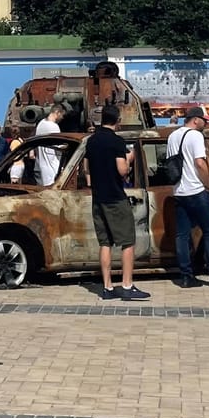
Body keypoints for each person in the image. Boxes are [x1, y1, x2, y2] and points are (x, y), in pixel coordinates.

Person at [86, 103, 148, 301]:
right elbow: (122, 170)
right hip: (115, 197)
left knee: (105, 243)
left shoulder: (91, 141)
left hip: (98, 198)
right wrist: (129, 159)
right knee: (127, 242)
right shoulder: (117, 142)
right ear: (118, 122)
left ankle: (107, 287)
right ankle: (127, 285)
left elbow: (87, 169)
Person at [170, 106, 209, 289]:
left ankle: (186, 276)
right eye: (204, 120)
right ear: (195, 119)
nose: (206, 123)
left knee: (182, 235)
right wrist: (208, 184)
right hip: (196, 191)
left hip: (179, 192)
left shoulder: (173, 136)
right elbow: (199, 162)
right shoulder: (195, 136)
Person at [34, 104, 64, 186]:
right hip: (52, 167)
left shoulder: (40, 124)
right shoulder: (54, 127)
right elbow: (59, 147)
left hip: (40, 164)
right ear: (57, 112)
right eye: (62, 115)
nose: (62, 118)